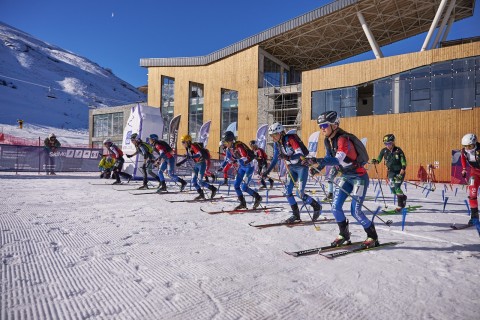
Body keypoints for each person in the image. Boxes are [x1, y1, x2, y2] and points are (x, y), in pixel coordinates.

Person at [311, 111, 377, 248]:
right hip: (346, 176)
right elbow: (329, 157)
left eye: (324, 125)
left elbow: (337, 159)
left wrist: (316, 160)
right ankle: (344, 234)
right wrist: (315, 166)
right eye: (320, 126)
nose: (322, 128)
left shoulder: (343, 139)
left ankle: (372, 236)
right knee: (335, 208)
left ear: (334, 125)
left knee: (356, 211)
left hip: (359, 177)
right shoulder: (327, 140)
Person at [262, 123, 321, 223]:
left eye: (275, 135)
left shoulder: (290, 139)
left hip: (302, 167)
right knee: (287, 191)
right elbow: (275, 159)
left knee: (299, 194)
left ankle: (316, 206)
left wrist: (288, 157)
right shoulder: (277, 144)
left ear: (281, 133)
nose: (273, 137)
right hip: (292, 168)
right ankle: (296, 215)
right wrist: (267, 171)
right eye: (272, 135)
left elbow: (300, 154)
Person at [222, 131, 262, 210]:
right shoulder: (228, 149)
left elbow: (245, 157)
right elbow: (229, 159)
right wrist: (228, 163)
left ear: (231, 140)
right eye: (224, 142)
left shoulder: (238, 146)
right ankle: (243, 203)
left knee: (244, 187)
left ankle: (257, 197)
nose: (225, 144)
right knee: (236, 185)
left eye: (226, 142)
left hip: (249, 167)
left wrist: (235, 161)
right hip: (242, 167)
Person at [371, 134, 407, 212]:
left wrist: (401, 173)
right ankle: (403, 197)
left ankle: (400, 206)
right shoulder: (384, 151)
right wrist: (375, 161)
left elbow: (404, 162)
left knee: (397, 188)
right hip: (391, 172)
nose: (387, 145)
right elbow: (379, 159)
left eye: (389, 143)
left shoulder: (398, 151)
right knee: (393, 190)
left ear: (393, 142)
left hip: (399, 172)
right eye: (385, 144)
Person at [178, 134, 217, 200]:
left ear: (188, 141)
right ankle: (201, 194)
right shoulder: (188, 148)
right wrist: (180, 163)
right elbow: (188, 157)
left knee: (200, 182)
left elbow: (199, 154)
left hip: (202, 164)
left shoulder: (193, 146)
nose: (182, 144)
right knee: (193, 181)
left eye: (183, 142)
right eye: (182, 142)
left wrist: (191, 157)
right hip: (196, 165)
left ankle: (213, 189)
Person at [460, 133, 480, 226]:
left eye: (470, 146)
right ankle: (474, 217)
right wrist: (464, 169)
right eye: (466, 146)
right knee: (472, 191)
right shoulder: (464, 151)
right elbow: (463, 158)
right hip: (474, 172)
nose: (468, 148)